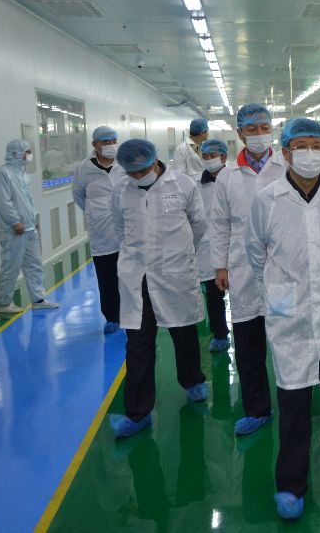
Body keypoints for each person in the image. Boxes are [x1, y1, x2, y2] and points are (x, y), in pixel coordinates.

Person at [245, 118, 320, 520]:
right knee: (294, 397)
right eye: (301, 146)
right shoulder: (267, 200)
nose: (311, 152)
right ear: (285, 152)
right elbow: (255, 253)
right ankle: (291, 484)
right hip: (290, 311)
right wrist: (282, 288)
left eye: (317, 144)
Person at [109, 139, 209, 438]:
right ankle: (138, 412)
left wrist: (178, 252)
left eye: (142, 171)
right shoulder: (121, 190)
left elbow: (199, 224)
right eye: (132, 173)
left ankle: (192, 380)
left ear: (155, 162)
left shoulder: (183, 185)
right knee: (138, 344)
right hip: (137, 276)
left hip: (174, 273)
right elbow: (119, 228)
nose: (138, 177)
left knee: (184, 332)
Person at [210, 103, 287, 436]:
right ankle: (257, 408)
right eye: (252, 129)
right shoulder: (227, 177)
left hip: (285, 267)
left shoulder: (287, 167)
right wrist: (220, 266)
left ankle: (296, 399)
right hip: (242, 269)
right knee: (248, 344)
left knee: (289, 339)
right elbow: (220, 224)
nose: (259, 134)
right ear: (240, 133)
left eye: (264, 128)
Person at [0, 139, 59, 314]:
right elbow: (3, 202)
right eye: (27, 152)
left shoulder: (22, 173)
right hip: (14, 230)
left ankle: (38, 299)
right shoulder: (2, 174)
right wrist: (15, 222)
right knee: (11, 266)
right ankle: (4, 303)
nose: (29, 155)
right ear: (17, 153)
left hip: (29, 227)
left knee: (34, 264)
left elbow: (28, 200)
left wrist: (32, 219)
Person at [72, 126, 125, 332]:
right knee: (107, 277)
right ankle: (112, 317)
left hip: (127, 231)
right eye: (105, 142)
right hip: (101, 233)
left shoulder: (124, 163)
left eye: (113, 141)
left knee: (131, 276)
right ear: (95, 144)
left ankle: (134, 313)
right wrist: (97, 212)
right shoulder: (83, 169)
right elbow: (79, 196)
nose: (111, 145)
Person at [196, 138, 231, 352]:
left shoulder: (235, 178)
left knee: (244, 293)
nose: (209, 159)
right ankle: (220, 334)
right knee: (214, 295)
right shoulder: (196, 185)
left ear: (224, 157)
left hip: (236, 244)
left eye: (213, 156)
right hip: (208, 247)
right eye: (205, 156)